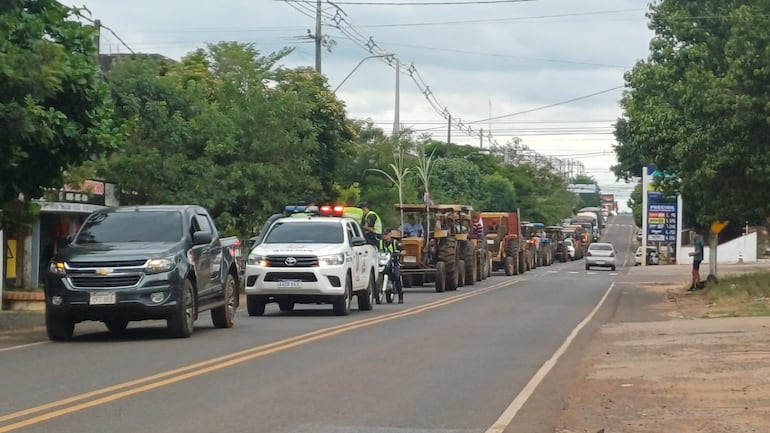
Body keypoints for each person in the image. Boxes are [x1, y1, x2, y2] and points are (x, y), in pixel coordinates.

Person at [378, 228, 404, 303]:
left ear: (390, 234)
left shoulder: (395, 243)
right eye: (384, 234)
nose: (385, 236)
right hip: (383, 263)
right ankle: (378, 291)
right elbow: (374, 249)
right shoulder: (380, 242)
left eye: (386, 234)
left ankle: (400, 296)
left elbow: (403, 250)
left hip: (394, 263)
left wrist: (399, 253)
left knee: (396, 276)